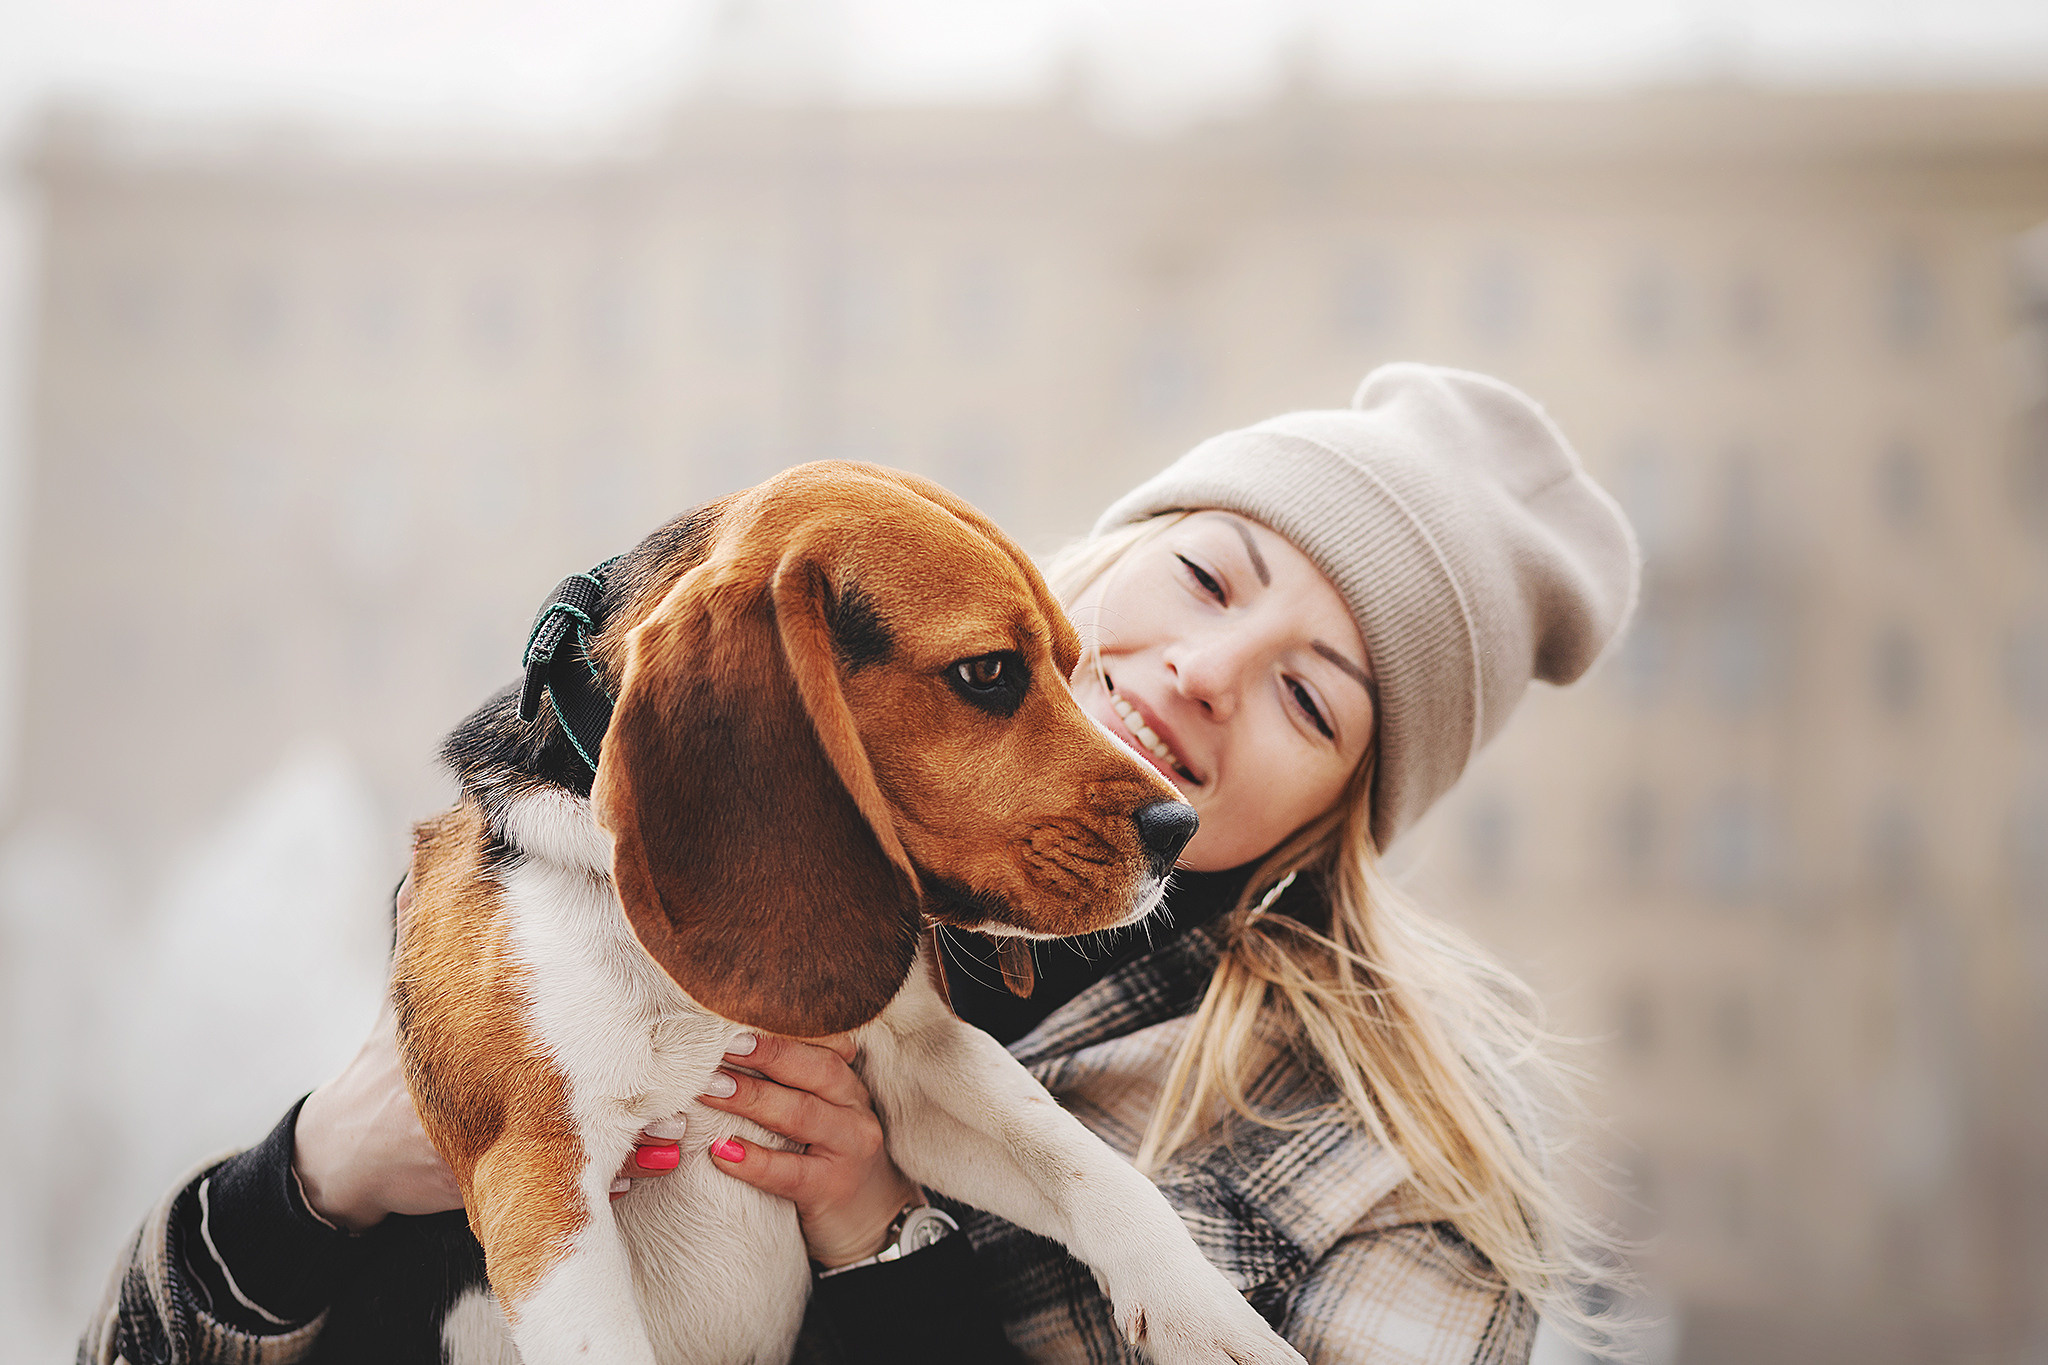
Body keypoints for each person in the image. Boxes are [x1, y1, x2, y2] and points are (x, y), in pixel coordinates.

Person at [81, 362, 1639, 1365]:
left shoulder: (1394, 1182)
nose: (1211, 671)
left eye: (1313, 695)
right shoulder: (761, 819)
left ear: (1346, 810)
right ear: (1090, 564)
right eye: (1209, 571)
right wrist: (296, 1189)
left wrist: (886, 1260)